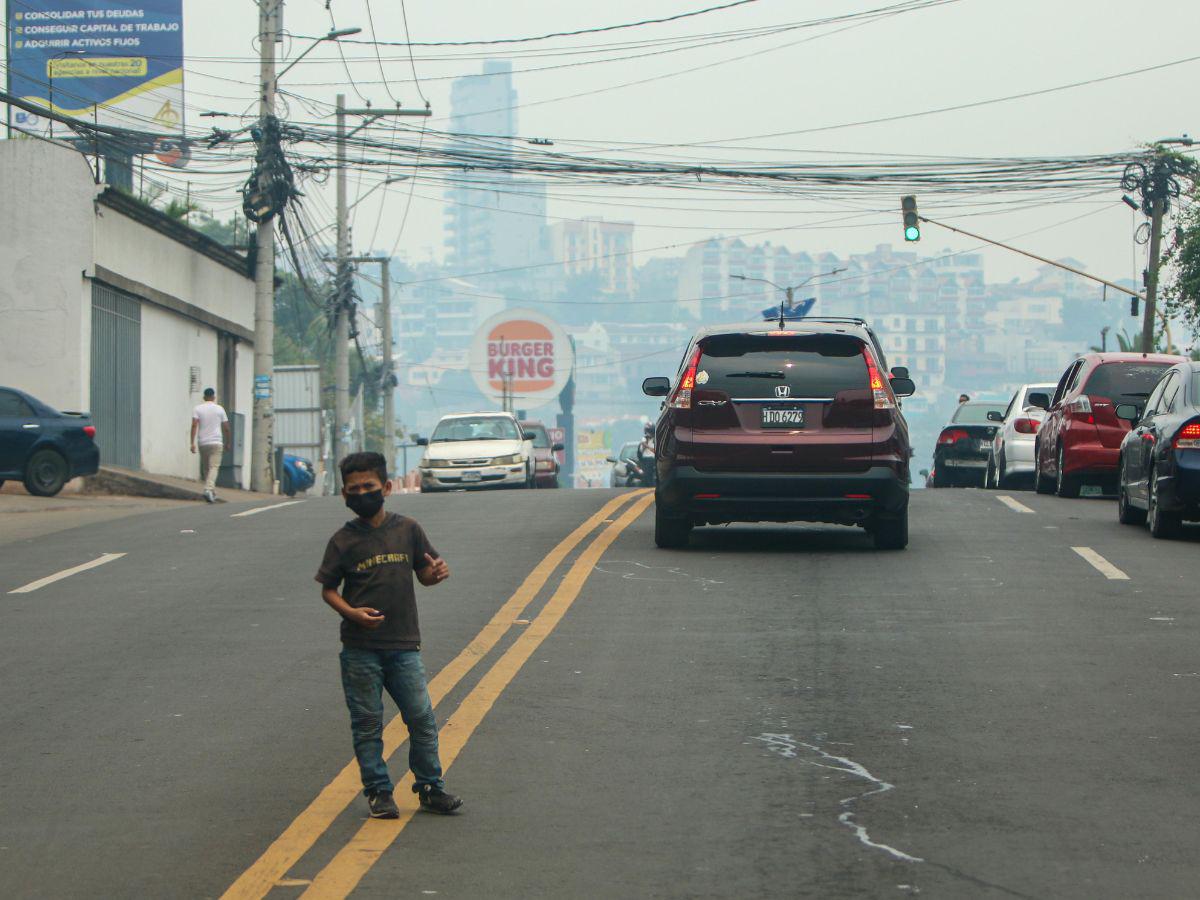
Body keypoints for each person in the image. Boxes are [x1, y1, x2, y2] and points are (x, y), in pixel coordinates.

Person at [315, 451, 463, 819]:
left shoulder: (408, 529)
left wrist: (437, 574)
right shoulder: (342, 542)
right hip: (360, 650)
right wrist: (352, 613)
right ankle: (379, 791)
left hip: (404, 647)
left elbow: (425, 574)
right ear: (344, 495)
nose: (362, 493)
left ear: (388, 487)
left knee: (421, 718)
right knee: (367, 724)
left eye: (369, 486)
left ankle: (430, 787)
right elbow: (328, 589)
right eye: (354, 489)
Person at [191, 388, 230, 503]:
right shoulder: (219, 409)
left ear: (204, 397)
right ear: (214, 397)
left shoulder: (197, 409)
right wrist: (228, 442)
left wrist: (192, 443)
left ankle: (212, 492)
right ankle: (208, 489)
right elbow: (227, 428)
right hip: (216, 442)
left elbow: (194, 425)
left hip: (203, 442)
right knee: (214, 467)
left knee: (206, 468)